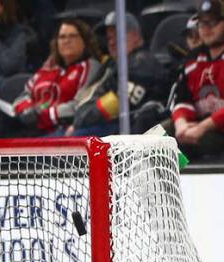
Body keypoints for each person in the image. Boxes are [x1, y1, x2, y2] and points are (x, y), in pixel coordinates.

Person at [68, 12, 170, 137]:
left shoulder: (142, 64)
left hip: (125, 134)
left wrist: (80, 119)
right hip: (96, 125)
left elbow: (118, 106)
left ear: (135, 36)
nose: (111, 42)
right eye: (109, 38)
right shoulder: (111, 65)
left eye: (117, 36)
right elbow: (86, 98)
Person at [11, 18, 102, 135]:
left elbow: (81, 105)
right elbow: (22, 96)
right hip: (31, 128)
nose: (66, 41)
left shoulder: (90, 66)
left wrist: (42, 115)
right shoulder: (48, 68)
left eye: (72, 36)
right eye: (62, 37)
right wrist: (26, 109)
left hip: (62, 130)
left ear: (85, 41)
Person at [164, 0, 224, 160]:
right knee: (156, 139)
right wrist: (181, 124)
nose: (205, 29)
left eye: (212, 22)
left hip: (217, 131)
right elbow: (183, 99)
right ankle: (155, 181)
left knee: (192, 145)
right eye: (202, 23)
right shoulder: (194, 59)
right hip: (196, 126)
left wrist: (203, 127)